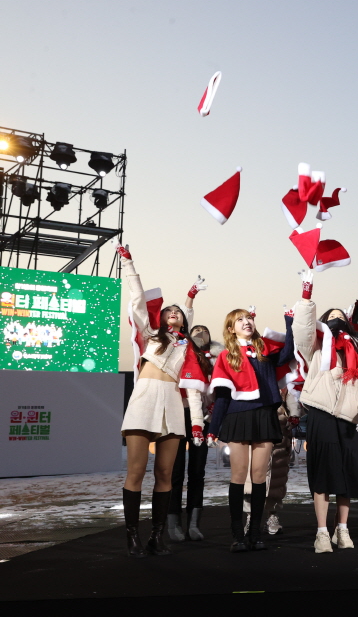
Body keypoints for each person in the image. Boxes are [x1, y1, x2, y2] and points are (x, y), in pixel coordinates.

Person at [116, 239, 207, 557]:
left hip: (172, 403)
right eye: (168, 312)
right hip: (144, 400)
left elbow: (194, 388)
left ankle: (157, 536)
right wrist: (129, 264)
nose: (172, 314)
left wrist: (196, 423)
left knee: (166, 473)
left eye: (177, 313)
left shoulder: (188, 348)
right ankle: (132, 537)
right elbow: (138, 301)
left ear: (183, 320)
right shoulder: (149, 335)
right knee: (136, 472)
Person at [293, 270, 358, 553]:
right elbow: (303, 330)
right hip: (322, 416)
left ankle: (342, 529)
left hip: (351, 420)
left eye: (341, 316)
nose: (336, 320)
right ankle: (321, 533)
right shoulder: (316, 347)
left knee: (346, 475)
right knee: (323, 475)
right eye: (331, 317)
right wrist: (307, 294)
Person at [208, 305, 294, 553]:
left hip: (265, 416)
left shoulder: (264, 350)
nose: (246, 322)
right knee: (238, 477)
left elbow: (288, 352)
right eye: (240, 319)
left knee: (259, 477)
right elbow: (222, 396)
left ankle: (255, 532)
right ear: (230, 328)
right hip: (238, 417)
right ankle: (237, 534)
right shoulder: (226, 356)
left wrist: (289, 320)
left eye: (248, 318)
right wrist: (214, 428)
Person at [167, 324, 220, 542]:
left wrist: (214, 408)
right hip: (180, 414)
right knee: (176, 471)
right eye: (196, 330)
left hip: (204, 417)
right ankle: (173, 523)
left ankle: (194, 523)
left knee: (197, 472)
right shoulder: (182, 353)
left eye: (204, 331)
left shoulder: (217, 359)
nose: (200, 334)